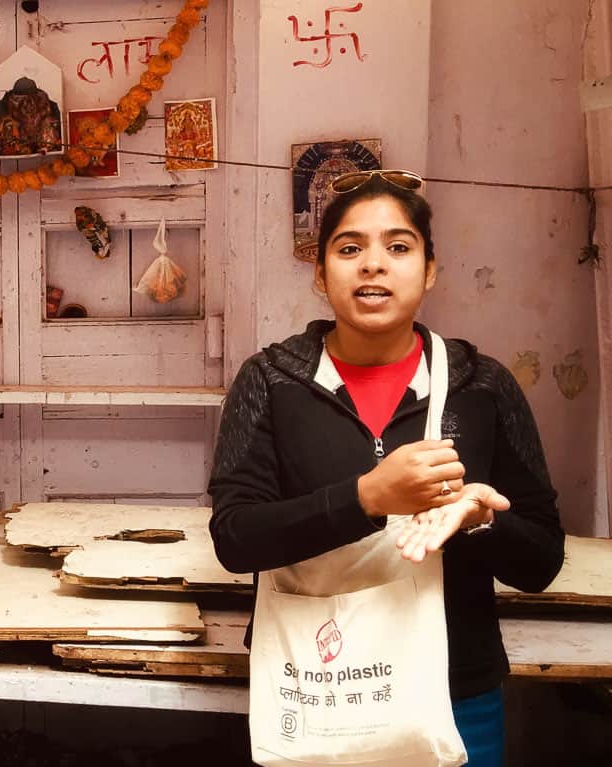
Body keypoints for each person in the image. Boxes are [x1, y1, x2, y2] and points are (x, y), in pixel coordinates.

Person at [208, 169, 564, 766]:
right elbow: (236, 539)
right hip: (315, 685)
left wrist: (477, 520)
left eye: (399, 247)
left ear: (429, 270)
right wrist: (369, 496)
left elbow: (542, 560)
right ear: (320, 273)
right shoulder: (270, 381)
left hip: (456, 691)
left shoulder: (483, 386)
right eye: (350, 248)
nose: (373, 265)